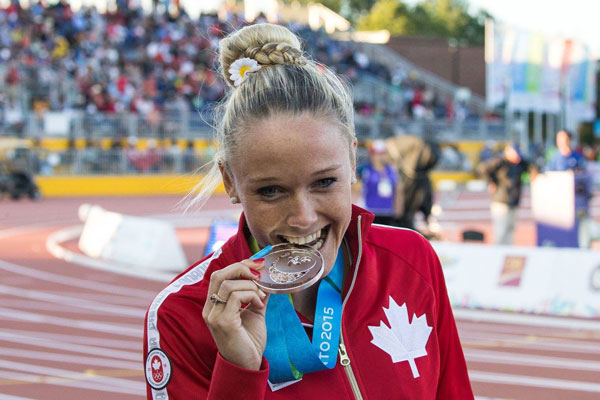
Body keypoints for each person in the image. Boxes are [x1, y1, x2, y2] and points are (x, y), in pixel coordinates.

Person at [143, 23, 472, 399]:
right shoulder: (183, 314)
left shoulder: (410, 262)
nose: (303, 217)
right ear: (230, 181)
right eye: (271, 191)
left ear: (351, 159)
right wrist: (238, 371)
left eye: (324, 183)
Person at [478, 143, 537, 245]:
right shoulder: (500, 162)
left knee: (511, 231)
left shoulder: (520, 163)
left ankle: (508, 253)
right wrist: (490, 182)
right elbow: (482, 169)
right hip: (501, 201)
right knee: (501, 232)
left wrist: (534, 173)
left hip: (514, 201)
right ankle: (498, 255)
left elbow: (532, 167)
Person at [385, 135, 440, 231]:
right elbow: (389, 144)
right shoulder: (411, 144)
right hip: (402, 180)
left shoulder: (422, 174)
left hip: (415, 182)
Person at [359, 139, 403, 226]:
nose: (380, 157)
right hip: (369, 211)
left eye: (382, 153)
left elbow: (398, 190)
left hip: (388, 212)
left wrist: (398, 209)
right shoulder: (364, 169)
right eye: (377, 154)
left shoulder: (391, 170)